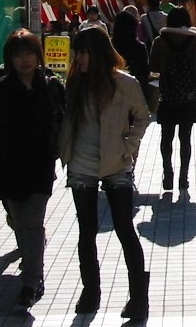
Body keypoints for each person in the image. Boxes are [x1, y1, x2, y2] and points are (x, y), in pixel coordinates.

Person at [59, 26, 151, 320]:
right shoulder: (75, 81)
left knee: (125, 229)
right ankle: (91, 291)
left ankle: (138, 298)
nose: (80, 58)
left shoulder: (124, 83)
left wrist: (129, 146)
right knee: (86, 232)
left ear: (97, 52)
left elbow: (143, 116)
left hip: (116, 162)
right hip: (82, 163)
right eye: (78, 52)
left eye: (84, 52)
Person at [0, 29, 65, 309]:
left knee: (32, 221)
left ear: (38, 56)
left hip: (40, 167)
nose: (25, 60)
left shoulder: (51, 86)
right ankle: (32, 269)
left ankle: (30, 282)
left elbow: (65, 124)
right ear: (10, 59)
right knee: (20, 222)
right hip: (9, 168)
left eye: (29, 53)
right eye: (18, 55)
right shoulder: (0, 90)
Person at [148, 7, 196, 191]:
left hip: (168, 95)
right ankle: (184, 177)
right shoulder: (194, 41)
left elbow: (153, 66)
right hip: (188, 96)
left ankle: (167, 173)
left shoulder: (160, 41)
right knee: (185, 137)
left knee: (166, 137)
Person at [112, 8, 151, 103]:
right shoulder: (139, 47)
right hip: (134, 93)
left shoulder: (109, 46)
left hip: (112, 92)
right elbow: (145, 72)